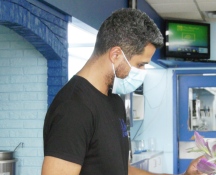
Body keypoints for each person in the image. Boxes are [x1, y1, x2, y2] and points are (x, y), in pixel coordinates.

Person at [42, 8, 202, 175]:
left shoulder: (115, 102)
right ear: (116, 54)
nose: (142, 71)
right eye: (140, 64)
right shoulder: (73, 108)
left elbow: (123, 171)